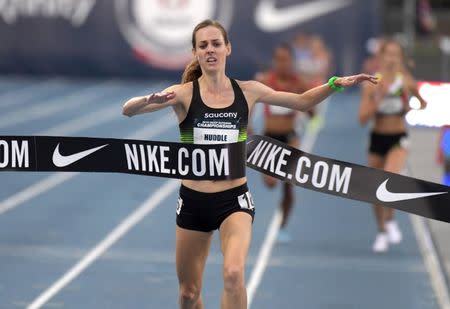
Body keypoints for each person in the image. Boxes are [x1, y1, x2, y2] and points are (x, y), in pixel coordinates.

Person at [122, 19, 377, 309]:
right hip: (193, 202)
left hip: (234, 200)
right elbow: (127, 111)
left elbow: (302, 102)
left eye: (216, 44)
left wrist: (334, 84)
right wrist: (146, 100)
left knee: (233, 274)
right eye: (203, 45)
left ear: (227, 48)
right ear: (194, 53)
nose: (210, 50)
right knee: (188, 294)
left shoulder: (249, 91)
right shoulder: (183, 94)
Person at [359, 39, 427, 253]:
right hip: (377, 138)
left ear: (400, 57)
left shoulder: (405, 81)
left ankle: (390, 221)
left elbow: (423, 103)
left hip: (398, 137)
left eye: (396, 54)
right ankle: (381, 230)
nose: (392, 59)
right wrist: (377, 102)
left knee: (390, 179)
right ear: (381, 57)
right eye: (388, 54)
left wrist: (408, 107)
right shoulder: (373, 82)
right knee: (374, 191)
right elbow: (362, 118)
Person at [255, 43, 308, 243]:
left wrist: (309, 110)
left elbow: (311, 109)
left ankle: (282, 226)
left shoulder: (298, 83)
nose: (282, 64)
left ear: (292, 61)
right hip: (269, 136)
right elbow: (250, 102)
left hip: (290, 137)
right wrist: (249, 124)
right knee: (269, 183)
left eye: (286, 59)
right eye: (278, 59)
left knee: (289, 185)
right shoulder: (265, 81)